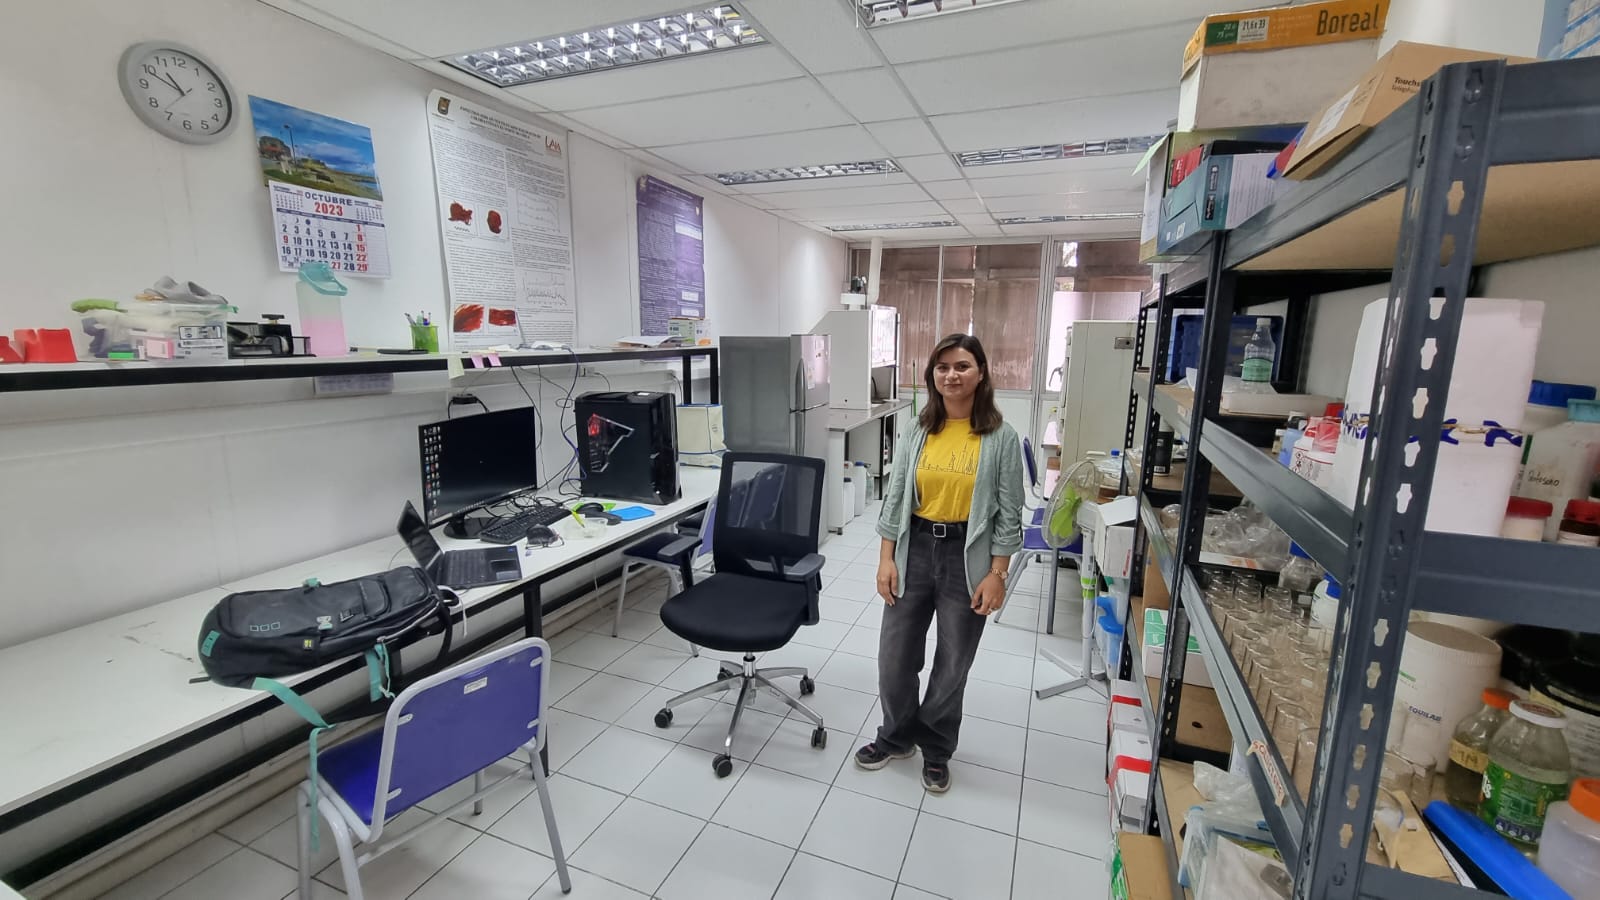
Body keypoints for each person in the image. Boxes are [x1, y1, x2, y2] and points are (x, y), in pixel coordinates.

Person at [855, 333, 1024, 793]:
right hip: (914, 548)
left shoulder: (1001, 438)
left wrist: (997, 573)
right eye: (943, 366)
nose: (952, 375)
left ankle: (935, 746)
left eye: (962, 366)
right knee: (895, 656)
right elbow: (895, 497)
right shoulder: (919, 428)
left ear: (981, 373)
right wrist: (886, 558)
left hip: (966, 556)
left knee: (953, 662)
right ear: (933, 374)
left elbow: (1009, 513)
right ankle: (895, 736)